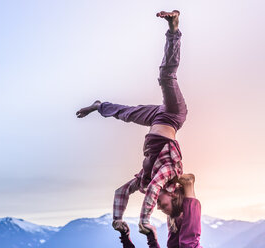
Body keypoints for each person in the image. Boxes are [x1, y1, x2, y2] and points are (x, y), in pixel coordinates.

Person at [76, 9, 187, 243]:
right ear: (173, 195)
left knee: (126, 114)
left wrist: (118, 219)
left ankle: (99, 106)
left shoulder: (146, 181)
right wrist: (144, 221)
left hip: (156, 119)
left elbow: (121, 192)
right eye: (166, 208)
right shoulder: (171, 173)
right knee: (166, 76)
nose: (160, 209)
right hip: (173, 115)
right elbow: (156, 188)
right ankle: (174, 29)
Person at [117, 174, 203, 248]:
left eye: (157, 201)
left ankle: (188, 186)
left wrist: (151, 239)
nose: (157, 207)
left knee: (185, 244)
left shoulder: (180, 218)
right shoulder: (176, 220)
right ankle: (189, 187)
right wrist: (151, 238)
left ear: (171, 193)